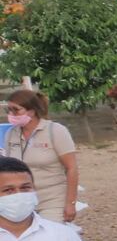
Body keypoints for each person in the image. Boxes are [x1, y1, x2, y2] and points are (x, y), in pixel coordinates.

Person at [4, 88, 78, 222]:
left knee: (50, 232)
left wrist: (70, 203)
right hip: (22, 201)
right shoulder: (11, 134)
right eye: (8, 110)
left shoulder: (55, 131)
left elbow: (71, 168)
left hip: (53, 199)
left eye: (16, 110)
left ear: (32, 111)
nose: (11, 114)